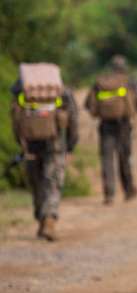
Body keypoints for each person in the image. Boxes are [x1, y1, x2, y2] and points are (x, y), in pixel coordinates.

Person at [10, 63, 79, 241]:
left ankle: (42, 220)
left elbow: (15, 118)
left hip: (30, 144)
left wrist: (20, 142)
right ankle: (49, 219)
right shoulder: (61, 90)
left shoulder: (21, 89)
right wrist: (71, 145)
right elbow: (73, 118)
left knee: (37, 183)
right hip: (55, 144)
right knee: (53, 182)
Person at [85, 55, 137, 205]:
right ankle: (128, 190)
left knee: (106, 159)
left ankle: (109, 194)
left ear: (111, 67)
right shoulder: (129, 82)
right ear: (125, 67)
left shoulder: (100, 82)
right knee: (124, 157)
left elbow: (88, 104)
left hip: (105, 125)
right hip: (124, 124)